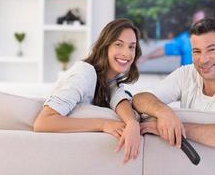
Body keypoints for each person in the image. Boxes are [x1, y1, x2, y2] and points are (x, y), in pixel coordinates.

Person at [133, 18, 215, 149]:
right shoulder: (186, 74)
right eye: (197, 51)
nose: (203, 59)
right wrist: (164, 113)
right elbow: (139, 99)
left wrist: (176, 128)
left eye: (211, 50)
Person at [34, 18, 142, 163]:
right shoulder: (85, 72)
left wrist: (132, 123)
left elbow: (119, 98)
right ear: (105, 47)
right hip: (54, 156)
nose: (126, 53)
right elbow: (43, 122)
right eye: (118, 44)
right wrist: (103, 124)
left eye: (131, 47)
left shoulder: (109, 83)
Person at [139, 10, 215, 70]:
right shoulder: (185, 39)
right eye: (194, 21)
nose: (195, 24)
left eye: (199, 21)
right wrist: (145, 57)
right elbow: (165, 49)